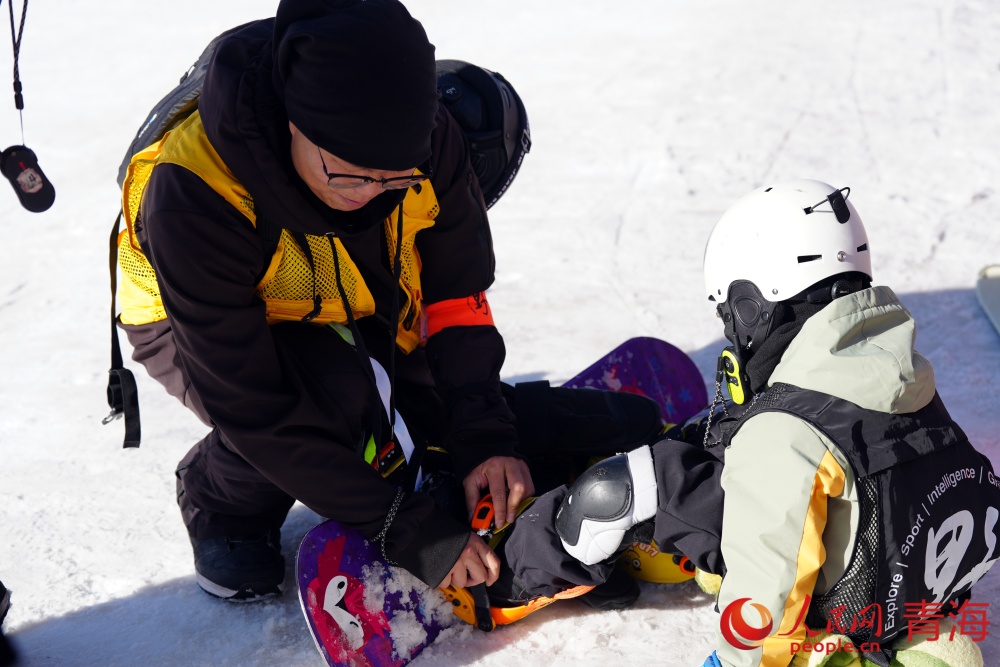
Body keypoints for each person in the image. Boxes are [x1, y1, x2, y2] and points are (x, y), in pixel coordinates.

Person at [114, 0, 660, 606]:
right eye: (349, 175)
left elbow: (455, 298)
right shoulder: (194, 191)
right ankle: (218, 497)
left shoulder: (427, 139)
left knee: (411, 410)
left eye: (395, 178)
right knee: (337, 403)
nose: (370, 194)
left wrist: (485, 436)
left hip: (345, 293)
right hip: (192, 328)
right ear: (294, 122)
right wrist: (409, 531)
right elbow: (252, 403)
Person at [493, 179, 999, 666]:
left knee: (624, 489)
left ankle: (509, 575)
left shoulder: (783, 434)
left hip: (833, 607)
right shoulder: (901, 370)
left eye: (729, 315)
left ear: (752, 306)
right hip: (907, 590)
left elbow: (766, 589)